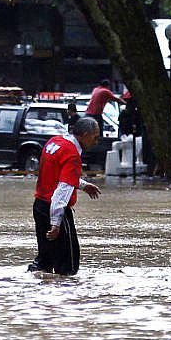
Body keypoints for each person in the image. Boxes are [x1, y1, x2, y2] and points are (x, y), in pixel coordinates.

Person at [28, 117, 103, 276]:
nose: (96, 142)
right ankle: (66, 298)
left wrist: (81, 184)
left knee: (44, 260)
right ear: (84, 134)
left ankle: (35, 292)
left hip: (39, 205)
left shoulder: (55, 142)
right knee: (68, 265)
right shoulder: (72, 154)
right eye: (95, 137)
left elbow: (55, 173)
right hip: (55, 208)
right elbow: (61, 191)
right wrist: (56, 223)